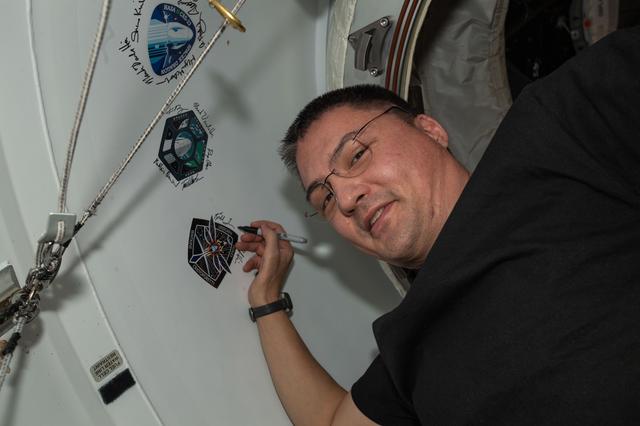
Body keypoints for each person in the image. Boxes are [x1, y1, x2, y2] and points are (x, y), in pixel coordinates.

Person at [235, 26, 640, 425]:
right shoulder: (406, 346)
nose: (344, 200)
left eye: (356, 156)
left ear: (430, 130)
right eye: (325, 200)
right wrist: (266, 299)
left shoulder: (554, 134)